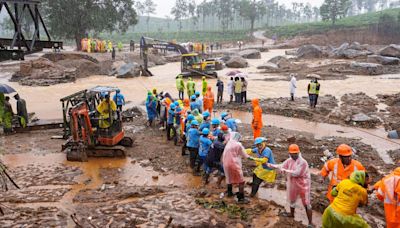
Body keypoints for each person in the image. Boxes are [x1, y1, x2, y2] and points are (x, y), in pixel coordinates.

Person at [268, 144, 313, 227]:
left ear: (298, 153)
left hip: (303, 185)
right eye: (292, 154)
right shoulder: (289, 160)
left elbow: (296, 173)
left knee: (306, 203)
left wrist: (283, 170)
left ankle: (310, 223)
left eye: (295, 153)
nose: (293, 155)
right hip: (293, 184)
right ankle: (292, 214)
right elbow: (281, 166)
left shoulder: (303, 162)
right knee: (292, 200)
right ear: (289, 153)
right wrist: (271, 165)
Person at [222, 132, 255, 203]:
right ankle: (241, 198)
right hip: (234, 164)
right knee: (241, 181)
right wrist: (254, 159)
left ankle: (229, 192)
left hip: (225, 163)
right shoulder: (238, 144)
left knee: (228, 178)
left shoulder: (229, 142)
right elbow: (245, 155)